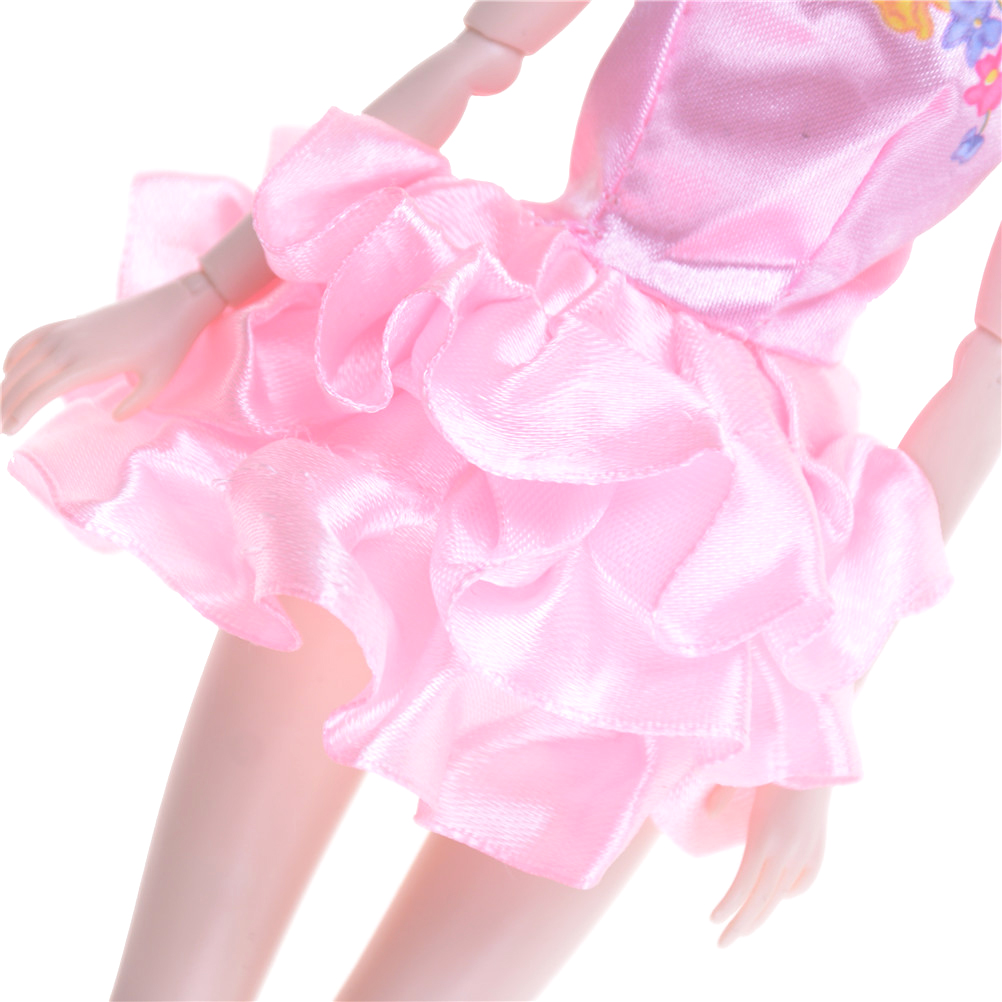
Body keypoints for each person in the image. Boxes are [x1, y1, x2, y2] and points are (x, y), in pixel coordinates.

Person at [1, 3, 999, 999]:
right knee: (181, 974)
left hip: (710, 511)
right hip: (500, 360)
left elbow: (989, 372)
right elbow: (485, 47)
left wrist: (819, 699)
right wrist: (199, 294)